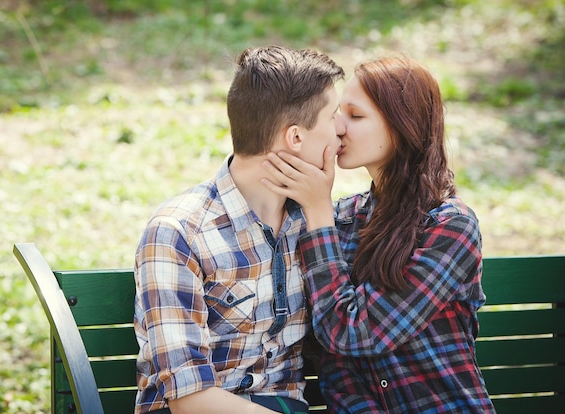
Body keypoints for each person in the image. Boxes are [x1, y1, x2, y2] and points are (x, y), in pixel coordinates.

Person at [262, 54, 496, 413]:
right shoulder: (340, 219)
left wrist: (318, 211)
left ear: (403, 125)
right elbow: (329, 351)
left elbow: (354, 332)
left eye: (355, 116)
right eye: (338, 113)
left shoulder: (450, 226)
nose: (338, 127)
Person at [133, 45, 345, 414]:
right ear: (295, 138)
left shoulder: (313, 220)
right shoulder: (179, 231)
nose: (341, 129)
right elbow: (188, 398)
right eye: (334, 116)